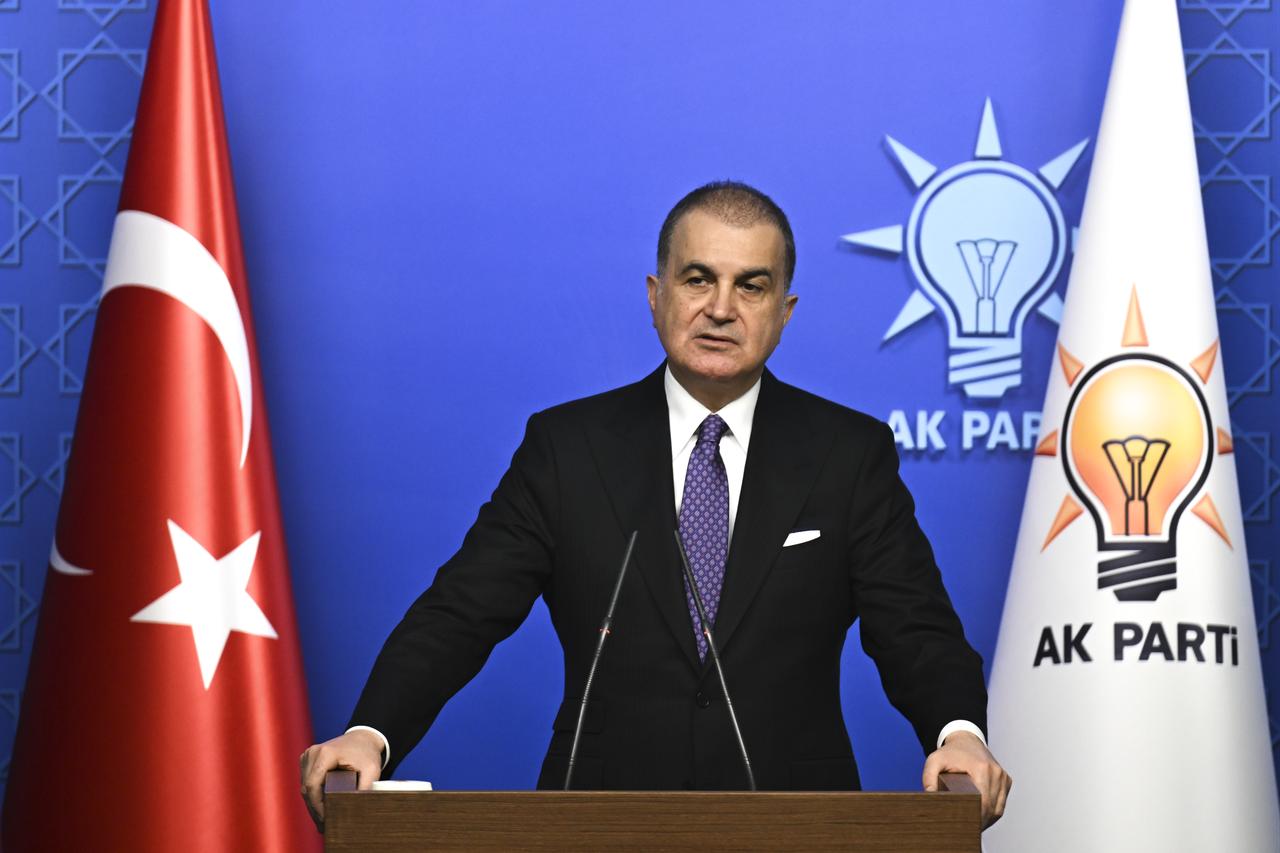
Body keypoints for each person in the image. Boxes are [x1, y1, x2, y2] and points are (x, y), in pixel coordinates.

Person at [300, 181, 1011, 829]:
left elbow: (914, 624)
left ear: (785, 311)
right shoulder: (567, 448)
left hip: (795, 823)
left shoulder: (848, 454)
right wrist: (372, 732)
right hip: (596, 823)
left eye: (751, 285)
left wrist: (958, 735)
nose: (721, 307)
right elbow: (460, 613)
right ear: (655, 293)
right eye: (698, 278)